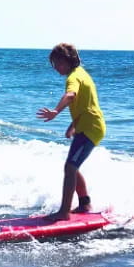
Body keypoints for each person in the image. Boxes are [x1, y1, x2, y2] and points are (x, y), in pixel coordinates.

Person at [36, 43, 106, 221]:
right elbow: (85, 104)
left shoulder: (73, 78)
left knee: (70, 167)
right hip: (89, 125)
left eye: (57, 63)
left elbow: (71, 96)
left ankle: (64, 212)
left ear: (68, 61)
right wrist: (72, 125)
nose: (56, 68)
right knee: (72, 167)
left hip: (90, 128)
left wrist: (55, 112)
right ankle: (84, 203)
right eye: (54, 64)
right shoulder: (82, 74)